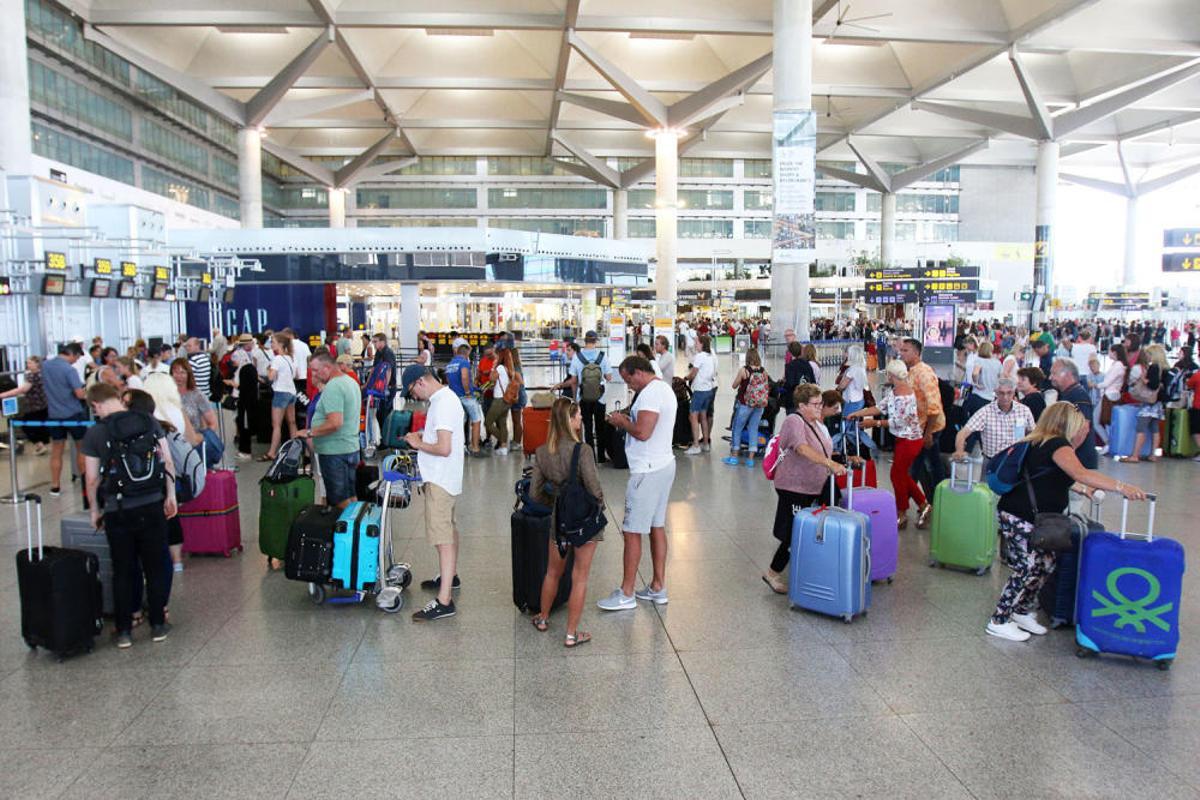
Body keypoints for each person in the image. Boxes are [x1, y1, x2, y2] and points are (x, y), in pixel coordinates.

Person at [987, 402, 1148, 641]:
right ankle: (998, 620)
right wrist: (1122, 487)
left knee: (1047, 562)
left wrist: (1083, 490)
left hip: (1029, 515)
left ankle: (1020, 610)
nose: (1083, 429)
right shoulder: (1056, 443)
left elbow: (1050, 475)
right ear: (1067, 423)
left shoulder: (1041, 442)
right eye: (1079, 423)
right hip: (1019, 514)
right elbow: (1080, 472)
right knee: (1027, 566)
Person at [82, 382, 177, 648]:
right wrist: (170, 496)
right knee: (156, 565)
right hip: (152, 504)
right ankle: (158, 624)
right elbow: (166, 461)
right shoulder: (148, 422)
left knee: (123, 569)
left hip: (118, 509)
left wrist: (95, 511)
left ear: (97, 405)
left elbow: (91, 480)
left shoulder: (96, 433)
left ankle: (124, 630)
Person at [597, 356, 676, 612]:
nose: (629, 385)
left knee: (632, 532)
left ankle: (627, 593)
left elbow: (643, 432)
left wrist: (622, 422)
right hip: (664, 464)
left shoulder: (651, 394)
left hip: (647, 471)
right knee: (657, 526)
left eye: (629, 379)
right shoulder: (664, 388)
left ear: (639, 373)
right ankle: (657, 586)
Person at [529, 397, 604, 647]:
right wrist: (599, 508)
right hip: (584, 520)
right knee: (579, 576)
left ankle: (542, 617)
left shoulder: (542, 452)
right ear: (570, 420)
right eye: (579, 415)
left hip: (559, 518)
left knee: (553, 571)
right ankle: (571, 634)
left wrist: (557, 501)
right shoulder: (582, 450)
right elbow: (594, 489)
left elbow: (534, 494)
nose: (581, 418)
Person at [763, 383, 847, 592]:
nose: (820, 407)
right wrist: (829, 464)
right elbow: (801, 448)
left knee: (805, 531)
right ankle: (772, 573)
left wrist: (839, 460)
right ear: (801, 405)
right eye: (815, 404)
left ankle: (801, 572)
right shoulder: (794, 421)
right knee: (794, 532)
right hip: (793, 486)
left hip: (812, 486)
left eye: (820, 404)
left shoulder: (817, 424)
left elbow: (824, 451)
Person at [401, 365, 466, 622]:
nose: (414, 397)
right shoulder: (446, 398)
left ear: (420, 382)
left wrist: (418, 444)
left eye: (412, 391)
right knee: (449, 529)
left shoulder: (442, 404)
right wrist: (423, 435)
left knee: (442, 539)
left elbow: (443, 448)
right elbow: (442, 437)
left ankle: (444, 600)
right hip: (446, 477)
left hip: (440, 479)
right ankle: (451, 577)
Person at [847, 361, 930, 530]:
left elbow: (898, 422)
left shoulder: (903, 395)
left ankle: (903, 513)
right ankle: (922, 505)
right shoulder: (897, 391)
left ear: (891, 375)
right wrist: (858, 413)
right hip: (904, 439)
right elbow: (879, 407)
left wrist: (874, 424)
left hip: (909, 440)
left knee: (896, 475)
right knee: (900, 475)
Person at [300, 352, 361, 510]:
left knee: (339, 500)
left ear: (327, 368)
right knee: (351, 495)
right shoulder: (350, 382)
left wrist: (309, 432)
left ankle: (346, 531)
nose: (313, 374)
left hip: (335, 452)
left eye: (315, 370)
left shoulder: (333, 387)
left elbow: (335, 423)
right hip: (350, 448)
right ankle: (355, 529)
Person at [897, 338, 944, 528]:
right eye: (901, 350)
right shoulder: (911, 372)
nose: (901, 353)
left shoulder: (924, 373)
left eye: (905, 350)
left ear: (916, 353)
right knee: (925, 471)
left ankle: (905, 511)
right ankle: (928, 505)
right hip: (916, 429)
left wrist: (928, 434)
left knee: (911, 471)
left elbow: (934, 408)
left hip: (927, 430)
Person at [952, 376, 1034, 460]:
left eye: (1009, 393)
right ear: (996, 392)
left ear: (1014, 392)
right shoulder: (985, 412)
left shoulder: (1024, 411)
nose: (1005, 397)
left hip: (1017, 460)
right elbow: (963, 433)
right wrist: (959, 451)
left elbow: (1033, 434)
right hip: (992, 461)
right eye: (1001, 393)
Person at [43, 344, 88, 497]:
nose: (75, 361)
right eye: (76, 358)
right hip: (73, 414)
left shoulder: (46, 366)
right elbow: (79, 394)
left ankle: (55, 486)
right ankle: (85, 482)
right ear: (72, 354)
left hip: (53, 414)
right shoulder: (69, 370)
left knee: (57, 450)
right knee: (82, 448)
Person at [562, 331, 612, 463]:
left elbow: (573, 381)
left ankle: (591, 458)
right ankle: (601, 457)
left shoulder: (577, 357)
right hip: (600, 398)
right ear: (596, 341)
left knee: (588, 427)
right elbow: (609, 377)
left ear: (585, 341)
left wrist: (574, 398)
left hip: (583, 397)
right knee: (600, 427)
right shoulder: (602, 356)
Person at [725, 348, 770, 466]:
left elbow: (734, 386)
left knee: (737, 427)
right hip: (760, 404)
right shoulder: (763, 371)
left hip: (745, 403)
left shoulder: (744, 371)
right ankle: (750, 459)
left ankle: (734, 457)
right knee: (753, 429)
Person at [171, 358, 220, 461]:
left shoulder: (197, 395)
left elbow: (213, 423)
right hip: (172, 443)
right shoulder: (168, 395)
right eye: (175, 372)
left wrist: (201, 437)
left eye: (182, 372)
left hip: (193, 444)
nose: (178, 376)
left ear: (188, 374)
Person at [0, 356, 50, 455]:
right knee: (37, 425)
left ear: (37, 364)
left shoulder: (32, 376)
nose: (28, 365)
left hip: (34, 406)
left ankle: (40, 445)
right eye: (27, 363)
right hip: (43, 404)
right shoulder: (43, 374)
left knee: (27, 426)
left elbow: (23, 389)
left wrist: (3, 395)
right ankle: (41, 445)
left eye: (30, 363)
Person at [261, 333, 298, 461]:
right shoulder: (291, 358)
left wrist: (268, 370)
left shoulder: (276, 359)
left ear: (280, 344)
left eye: (273, 342)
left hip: (280, 392)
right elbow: (296, 375)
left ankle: (272, 452)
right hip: (292, 392)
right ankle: (295, 450)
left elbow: (271, 377)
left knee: (276, 424)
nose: (271, 345)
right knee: (292, 422)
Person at [1127, 346, 1167, 464]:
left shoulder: (1154, 367)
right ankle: (1153, 454)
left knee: (1141, 428)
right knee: (1155, 429)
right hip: (1158, 404)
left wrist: (1144, 380)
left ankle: (1135, 455)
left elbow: (1153, 385)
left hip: (1148, 403)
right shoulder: (1165, 368)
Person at [684, 334, 718, 455]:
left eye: (697, 342)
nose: (695, 345)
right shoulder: (710, 355)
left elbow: (693, 373)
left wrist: (685, 378)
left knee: (693, 416)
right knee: (703, 415)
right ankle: (705, 443)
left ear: (702, 344)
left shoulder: (700, 356)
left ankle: (696, 445)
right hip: (709, 389)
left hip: (700, 390)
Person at [446, 344, 483, 456]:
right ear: (466, 353)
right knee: (476, 420)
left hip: (455, 398)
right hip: (466, 397)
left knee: (460, 422)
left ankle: (460, 447)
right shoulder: (464, 362)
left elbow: (449, 381)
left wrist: (475, 388)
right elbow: (464, 377)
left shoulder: (449, 365)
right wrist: (467, 391)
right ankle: (475, 448)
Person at [1096, 342, 1128, 451]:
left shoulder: (1117, 366)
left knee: (1098, 420)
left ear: (1114, 352)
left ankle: (1108, 442)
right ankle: (1109, 443)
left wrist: (1096, 385)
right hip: (1112, 395)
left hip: (1109, 395)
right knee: (1107, 421)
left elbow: (1107, 382)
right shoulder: (1118, 365)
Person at [485, 345, 515, 456]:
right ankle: (503, 448)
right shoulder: (508, 368)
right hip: (507, 399)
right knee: (502, 423)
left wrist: (493, 367)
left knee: (488, 423)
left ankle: (503, 441)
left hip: (499, 400)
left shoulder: (500, 367)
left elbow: (492, 378)